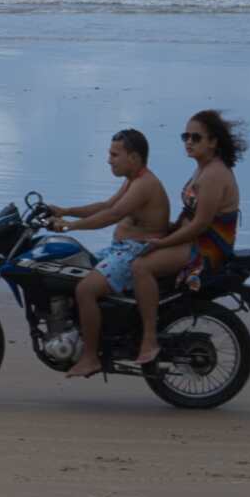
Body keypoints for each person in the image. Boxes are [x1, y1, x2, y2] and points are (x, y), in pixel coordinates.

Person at [45, 129, 171, 378]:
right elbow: (106, 206)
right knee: (72, 267)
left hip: (135, 251)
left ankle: (90, 357)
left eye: (115, 154)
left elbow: (112, 216)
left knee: (85, 289)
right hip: (121, 249)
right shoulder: (133, 180)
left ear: (133, 158)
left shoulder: (145, 185)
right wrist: (65, 211)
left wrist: (71, 226)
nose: (109, 160)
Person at [128, 110, 247, 367]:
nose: (189, 142)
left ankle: (149, 338)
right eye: (185, 136)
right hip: (192, 239)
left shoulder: (214, 174)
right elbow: (190, 216)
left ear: (213, 142)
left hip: (206, 247)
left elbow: (200, 224)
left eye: (196, 137)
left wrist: (163, 243)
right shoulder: (202, 169)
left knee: (141, 266)